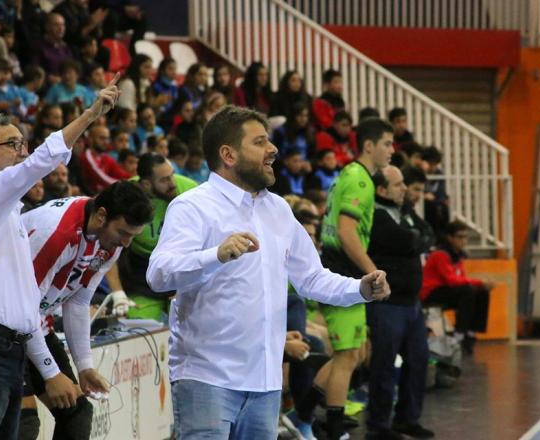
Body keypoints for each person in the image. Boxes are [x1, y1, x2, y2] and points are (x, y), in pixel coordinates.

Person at [146, 106, 390, 440]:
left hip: (265, 382)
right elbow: (159, 274)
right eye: (260, 142)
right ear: (228, 155)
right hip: (207, 377)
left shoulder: (278, 209)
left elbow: (312, 278)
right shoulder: (193, 207)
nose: (272, 149)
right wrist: (214, 255)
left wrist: (359, 288)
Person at [0, 74, 120, 440]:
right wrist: (91, 114)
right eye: (13, 143)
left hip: (7, 346)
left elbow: (25, 300)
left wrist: (49, 369)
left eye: (23, 142)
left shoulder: (6, 213)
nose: (23, 151)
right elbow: (41, 161)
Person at [286, 117, 395, 440]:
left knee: (355, 352)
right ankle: (330, 430)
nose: (392, 150)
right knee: (347, 356)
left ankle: (302, 415)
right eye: (387, 143)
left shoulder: (348, 173)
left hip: (339, 269)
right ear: (369, 145)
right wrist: (373, 272)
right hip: (344, 273)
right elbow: (347, 234)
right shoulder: (360, 180)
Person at [17, 181, 153, 440]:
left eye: (132, 236)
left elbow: (78, 302)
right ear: (102, 215)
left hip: (34, 323)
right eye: (123, 232)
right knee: (23, 424)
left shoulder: (108, 241)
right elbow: (23, 310)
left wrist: (85, 366)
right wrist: (50, 373)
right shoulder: (58, 232)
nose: (125, 243)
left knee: (77, 412)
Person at [366, 165, 435, 439]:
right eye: (397, 185)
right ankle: (378, 425)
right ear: (381, 190)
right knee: (383, 364)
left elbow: (428, 235)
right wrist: (416, 240)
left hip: (412, 304)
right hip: (388, 305)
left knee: (418, 360)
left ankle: (407, 418)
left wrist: (417, 239)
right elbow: (407, 241)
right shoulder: (376, 215)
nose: (404, 188)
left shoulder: (406, 212)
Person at [112, 153, 197, 322]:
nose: (173, 183)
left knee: (195, 326)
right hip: (142, 272)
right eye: (164, 180)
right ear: (146, 184)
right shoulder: (125, 196)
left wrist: (187, 285)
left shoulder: (190, 190)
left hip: (184, 265)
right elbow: (107, 246)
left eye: (172, 175)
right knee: (138, 328)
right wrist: (117, 292)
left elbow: (210, 240)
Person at [420, 220, 492, 354]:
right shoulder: (440, 254)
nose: (464, 240)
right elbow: (451, 280)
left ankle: (471, 332)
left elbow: (461, 279)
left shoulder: (457, 255)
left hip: (447, 290)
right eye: (460, 237)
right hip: (431, 292)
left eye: (465, 237)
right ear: (450, 237)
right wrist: (479, 281)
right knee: (468, 291)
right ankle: (459, 335)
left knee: (481, 292)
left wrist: (480, 285)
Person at [80, 124, 132, 194]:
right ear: (90, 139)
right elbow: (102, 179)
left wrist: (133, 178)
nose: (106, 142)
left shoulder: (106, 157)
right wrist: (125, 184)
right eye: (102, 138)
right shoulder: (86, 156)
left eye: (107, 138)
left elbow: (121, 174)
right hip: (90, 197)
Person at [422, 145, 450, 240]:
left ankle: (441, 238)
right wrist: (424, 195)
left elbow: (441, 194)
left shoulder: (439, 174)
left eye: (435, 164)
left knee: (443, 208)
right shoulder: (420, 173)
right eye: (430, 163)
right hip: (424, 204)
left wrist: (440, 199)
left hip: (435, 203)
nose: (432, 167)